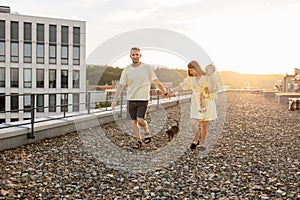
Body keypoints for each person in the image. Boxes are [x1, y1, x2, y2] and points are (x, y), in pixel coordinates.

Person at [111, 47, 168, 149]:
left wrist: (164, 92)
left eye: (137, 54)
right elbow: (120, 86)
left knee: (140, 120)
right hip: (131, 99)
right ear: (130, 56)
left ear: (140, 55)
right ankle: (138, 141)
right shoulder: (127, 70)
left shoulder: (147, 68)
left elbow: (156, 81)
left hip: (143, 98)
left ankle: (146, 130)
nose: (135, 56)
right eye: (133, 55)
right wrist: (114, 100)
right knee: (133, 122)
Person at [166, 60, 208, 150]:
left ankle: (203, 143)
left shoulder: (205, 77)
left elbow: (212, 88)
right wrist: (171, 91)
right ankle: (196, 140)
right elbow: (181, 86)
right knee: (193, 122)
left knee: (204, 123)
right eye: (189, 70)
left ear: (197, 68)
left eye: (192, 70)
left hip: (205, 100)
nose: (190, 72)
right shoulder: (190, 79)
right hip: (195, 101)